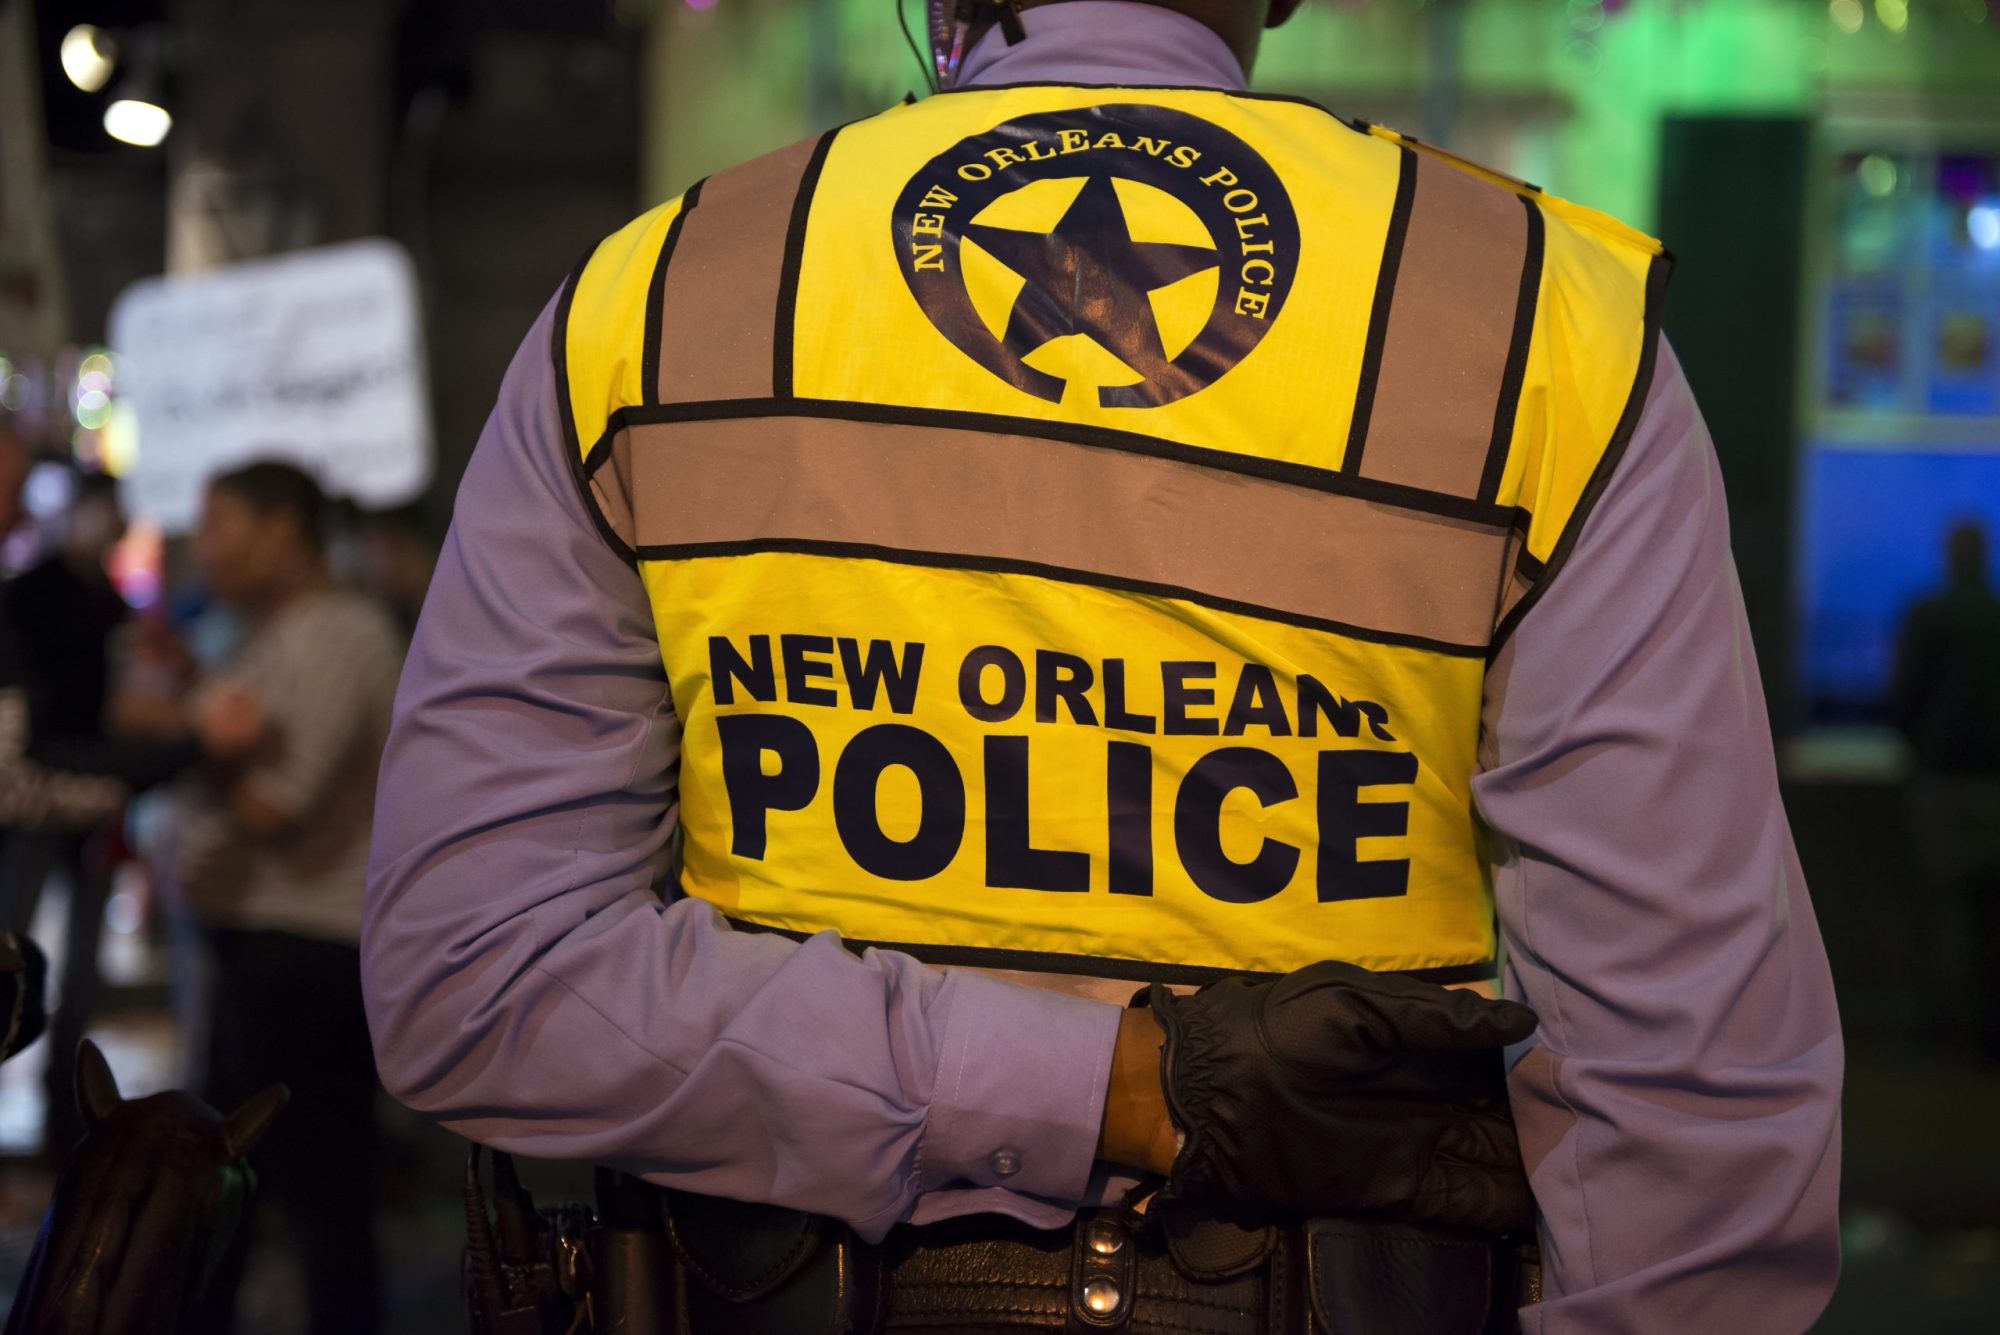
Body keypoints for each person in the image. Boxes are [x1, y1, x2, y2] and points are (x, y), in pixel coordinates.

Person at [363, 1, 1844, 1330]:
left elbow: (478, 976)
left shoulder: (656, 305)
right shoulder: (1543, 325)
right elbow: (1691, 1100)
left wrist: (1084, 1084)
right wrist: (1133, 1089)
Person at [174, 459, 401, 1335]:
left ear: (280, 529)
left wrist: (202, 744)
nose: (206, 546)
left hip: (304, 951)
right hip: (259, 947)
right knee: (226, 1184)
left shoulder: (341, 634)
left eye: (221, 523)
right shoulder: (265, 632)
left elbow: (276, 805)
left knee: (317, 1200)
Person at [1893, 520, 2000, 1056]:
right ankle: (1984, 1026)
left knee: (1945, 910)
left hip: (1941, 780)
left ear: (1950, 556)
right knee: (1987, 912)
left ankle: (1948, 1026)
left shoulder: (1928, 616)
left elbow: (1906, 695)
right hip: (1992, 782)